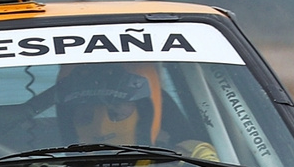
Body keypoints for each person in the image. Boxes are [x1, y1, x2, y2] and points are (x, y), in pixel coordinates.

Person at [54, 63, 218, 159]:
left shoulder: (194, 156)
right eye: (86, 117)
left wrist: (175, 160)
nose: (101, 129)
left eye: (115, 114)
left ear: (145, 113)